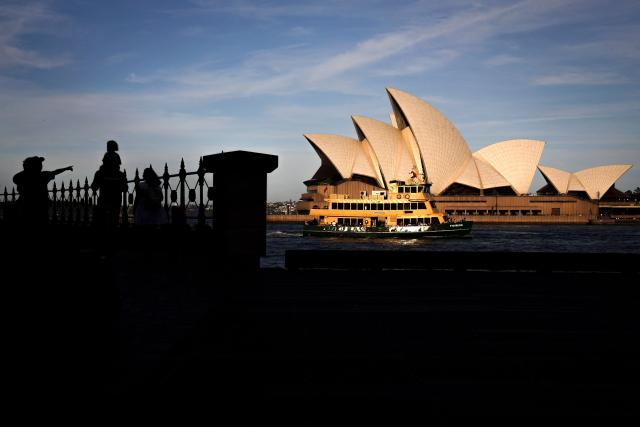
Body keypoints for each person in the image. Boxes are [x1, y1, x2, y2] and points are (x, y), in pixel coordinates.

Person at [12, 156, 73, 226]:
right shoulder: (43, 176)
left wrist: (27, 168)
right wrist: (66, 169)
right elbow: (55, 172)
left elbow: (15, 178)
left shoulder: (21, 177)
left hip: (25, 208)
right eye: (39, 165)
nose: (41, 166)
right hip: (40, 208)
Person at [91, 153, 127, 227]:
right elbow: (125, 188)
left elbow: (94, 187)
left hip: (104, 203)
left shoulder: (100, 173)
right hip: (115, 203)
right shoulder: (121, 175)